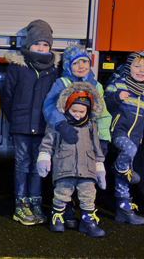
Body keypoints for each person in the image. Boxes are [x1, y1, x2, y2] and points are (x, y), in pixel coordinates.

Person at [41, 44, 112, 229]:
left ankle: (86, 218)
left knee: (86, 181)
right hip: (66, 135)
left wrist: (103, 138)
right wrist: (61, 125)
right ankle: (66, 212)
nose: (81, 66)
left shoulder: (96, 86)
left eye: (85, 62)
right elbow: (49, 106)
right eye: (76, 63)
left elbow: (102, 114)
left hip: (88, 139)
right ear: (67, 66)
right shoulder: (62, 84)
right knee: (66, 178)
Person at [0, 20, 57, 225]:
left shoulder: (53, 69)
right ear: (29, 45)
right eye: (37, 44)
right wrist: (14, 118)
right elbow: (7, 95)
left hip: (43, 125)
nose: (41, 49)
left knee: (37, 166)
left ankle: (35, 202)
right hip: (22, 126)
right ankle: (20, 204)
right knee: (22, 165)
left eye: (45, 45)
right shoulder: (18, 66)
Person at [37, 81, 107, 238]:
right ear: (67, 107)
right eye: (74, 110)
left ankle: (87, 222)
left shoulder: (90, 125)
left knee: (89, 196)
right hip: (65, 166)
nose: (78, 114)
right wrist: (44, 157)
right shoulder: (60, 124)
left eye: (82, 112)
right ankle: (57, 218)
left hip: (87, 168)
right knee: (62, 194)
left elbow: (97, 147)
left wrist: (100, 166)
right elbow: (48, 142)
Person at [103, 51, 144, 225]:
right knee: (128, 154)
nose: (141, 70)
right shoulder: (118, 85)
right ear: (128, 68)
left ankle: (122, 209)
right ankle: (118, 168)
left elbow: (142, 117)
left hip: (134, 136)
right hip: (118, 132)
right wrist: (116, 97)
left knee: (125, 176)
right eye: (137, 66)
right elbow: (104, 104)